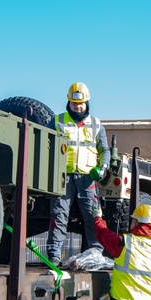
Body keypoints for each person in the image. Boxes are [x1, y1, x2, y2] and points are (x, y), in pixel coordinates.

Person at [45, 82, 110, 264]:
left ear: (87, 102)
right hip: (63, 176)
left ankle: (95, 252)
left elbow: (104, 150)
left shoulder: (96, 125)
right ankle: (54, 255)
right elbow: (46, 144)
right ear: (68, 102)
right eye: (74, 103)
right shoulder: (57, 121)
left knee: (93, 216)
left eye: (81, 103)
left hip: (88, 177)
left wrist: (102, 168)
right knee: (59, 215)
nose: (77, 106)